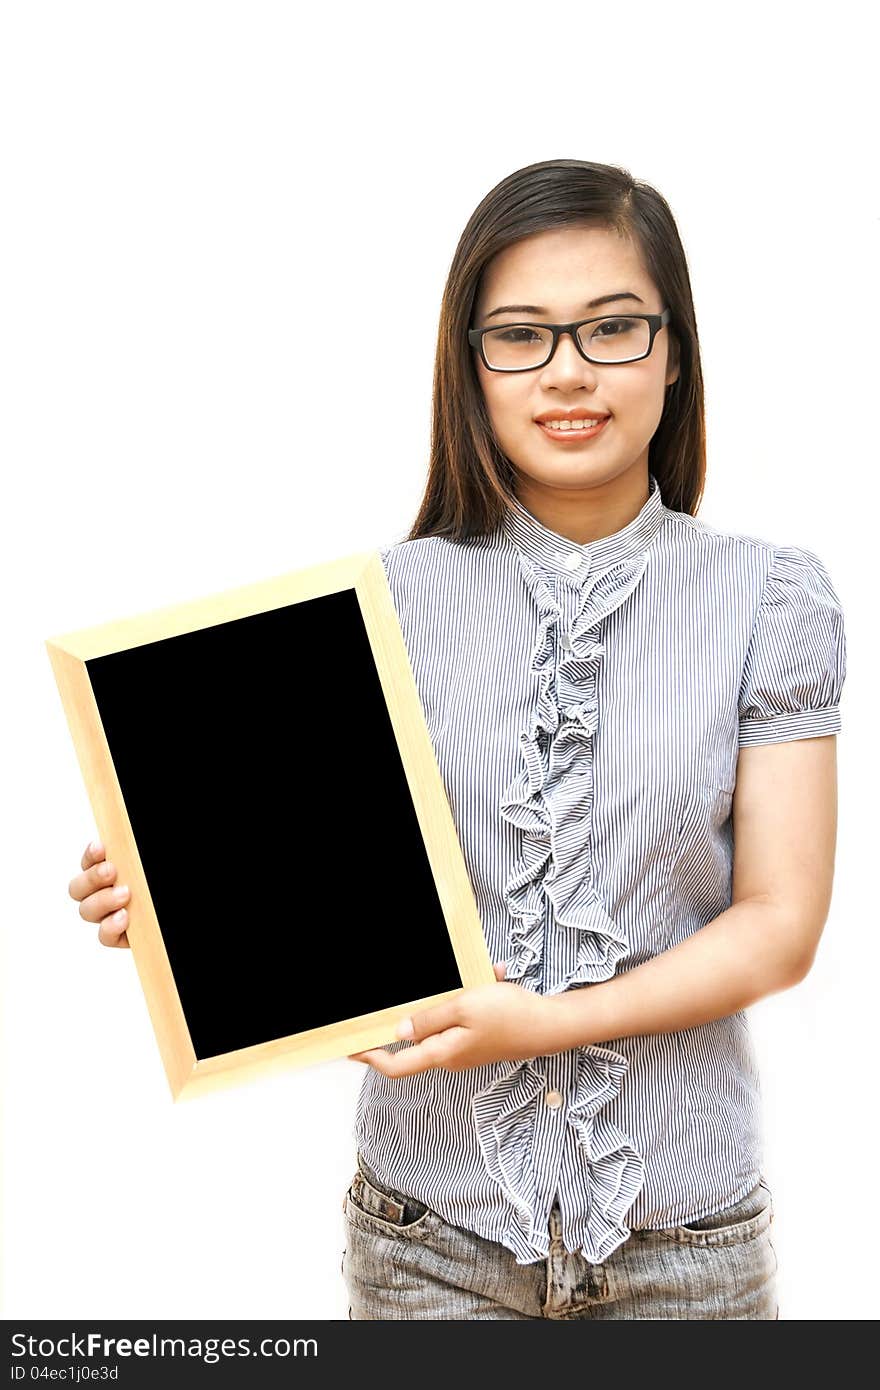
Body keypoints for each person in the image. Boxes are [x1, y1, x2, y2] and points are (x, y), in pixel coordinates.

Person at [68, 158, 847, 1320]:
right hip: (427, 1240)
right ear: (468, 364)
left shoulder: (770, 599)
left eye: (613, 328)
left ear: (674, 351)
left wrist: (550, 1022)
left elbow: (779, 925)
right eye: (520, 336)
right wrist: (178, 900)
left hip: (688, 1241)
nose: (569, 372)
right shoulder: (376, 608)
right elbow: (327, 909)